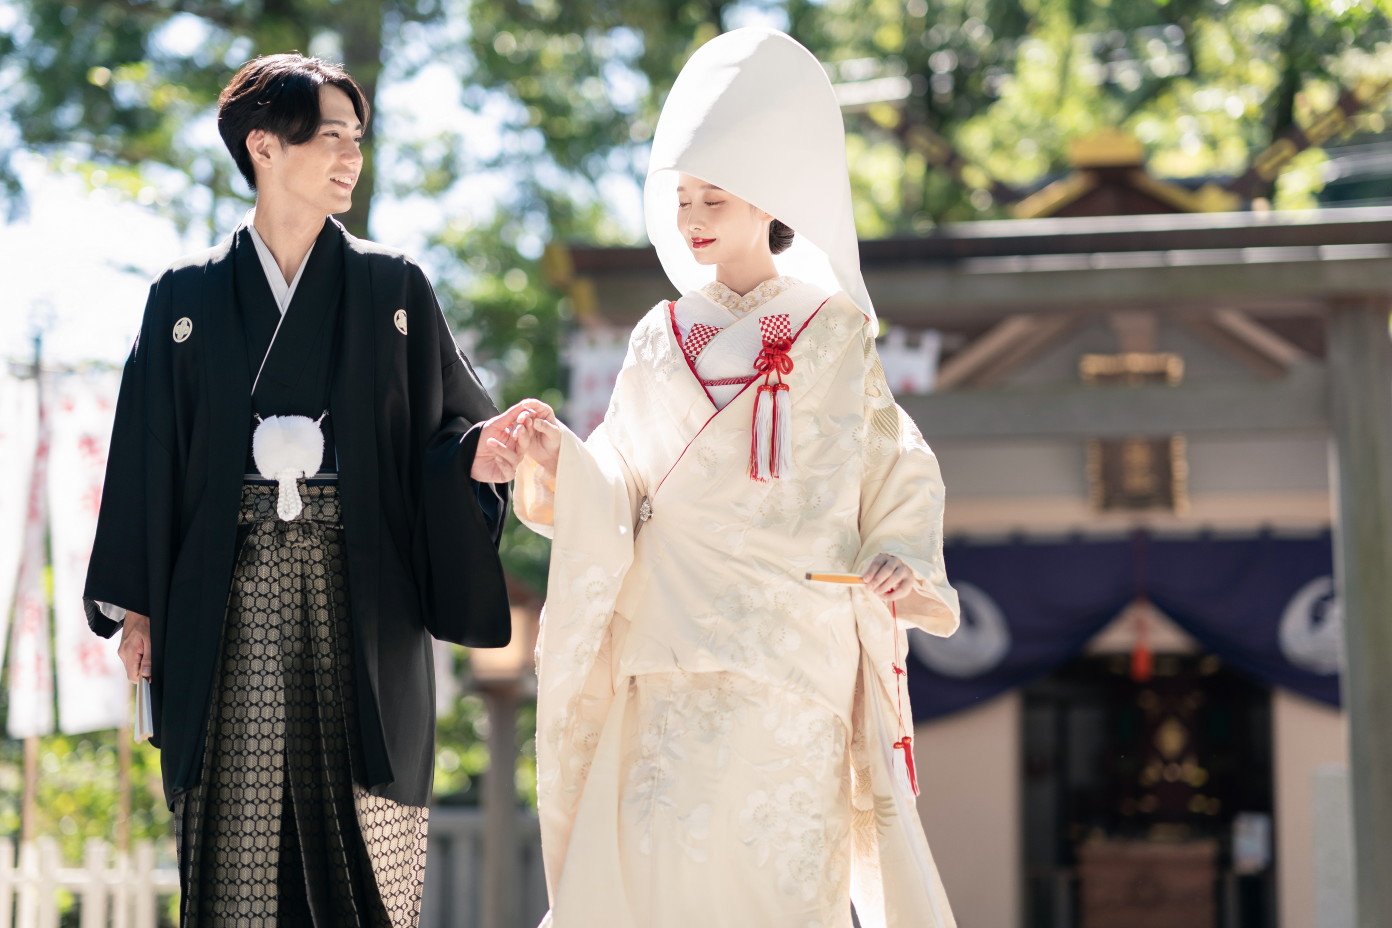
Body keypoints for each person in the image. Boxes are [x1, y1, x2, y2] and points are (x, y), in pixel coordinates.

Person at [502, 28, 960, 928]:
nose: (693, 217)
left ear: (774, 200)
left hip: (791, 661)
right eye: (682, 198)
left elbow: (894, 463)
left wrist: (898, 552)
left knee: (777, 884)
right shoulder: (656, 337)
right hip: (667, 657)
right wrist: (565, 462)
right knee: (659, 876)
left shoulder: (834, 334)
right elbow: (627, 481)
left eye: (713, 195)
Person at [83, 53, 522, 927]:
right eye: (330, 138)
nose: (350, 158)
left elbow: (448, 429)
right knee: (236, 836)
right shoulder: (185, 298)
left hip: (358, 592)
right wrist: (138, 610)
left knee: (362, 833)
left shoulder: (393, 286)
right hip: (225, 592)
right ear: (263, 147)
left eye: (356, 140)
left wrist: (473, 456)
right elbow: (147, 454)